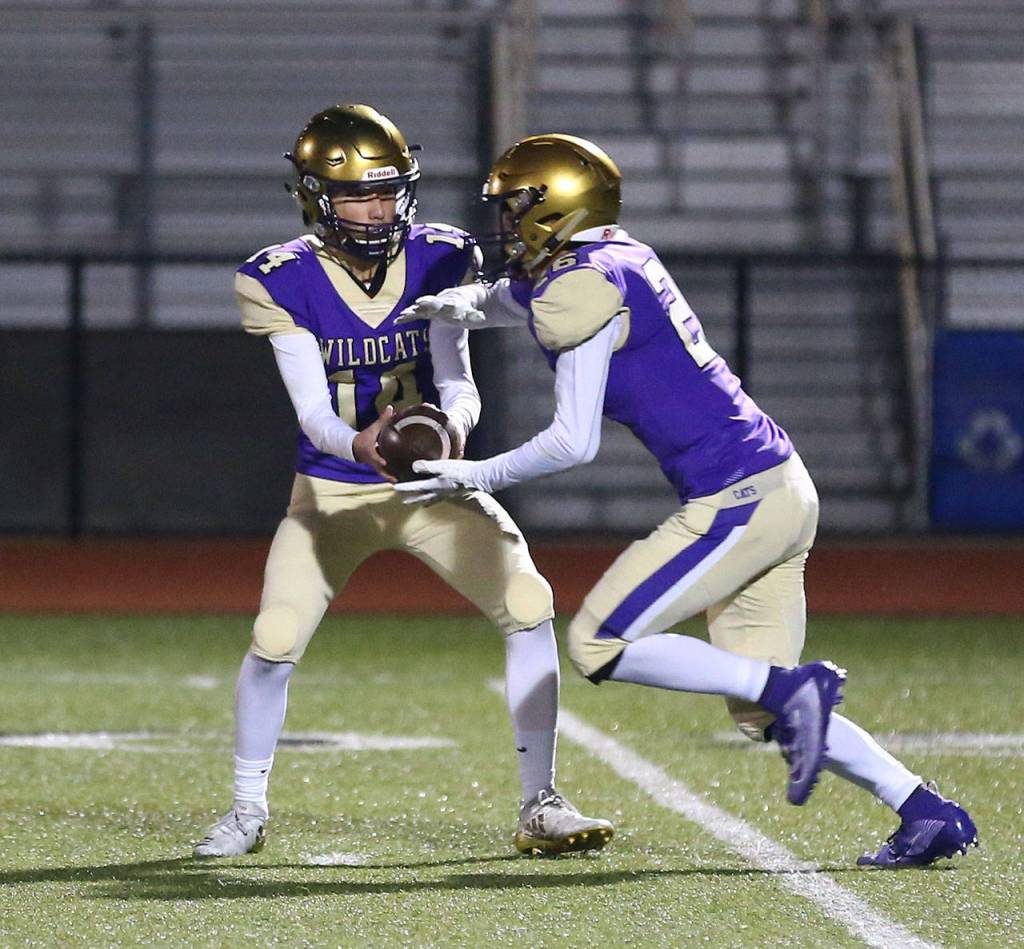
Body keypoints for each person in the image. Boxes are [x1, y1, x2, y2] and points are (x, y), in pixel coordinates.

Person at [396, 133, 978, 868]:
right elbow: (514, 297)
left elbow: (572, 441)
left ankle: (798, 688)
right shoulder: (616, 257)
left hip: (740, 494)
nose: (506, 221)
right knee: (764, 707)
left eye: (516, 206)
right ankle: (925, 811)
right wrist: (467, 303)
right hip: (780, 484)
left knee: (598, 642)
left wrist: (476, 474)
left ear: (557, 206)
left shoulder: (581, 286)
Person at [192, 108, 613, 859]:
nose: (378, 209)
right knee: (276, 635)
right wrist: (360, 442)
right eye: (359, 195)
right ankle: (247, 809)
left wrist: (454, 426)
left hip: (431, 485)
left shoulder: (442, 255)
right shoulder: (278, 278)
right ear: (316, 198)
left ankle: (540, 801)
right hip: (333, 491)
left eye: (389, 192)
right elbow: (314, 413)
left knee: (528, 600)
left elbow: (458, 378)